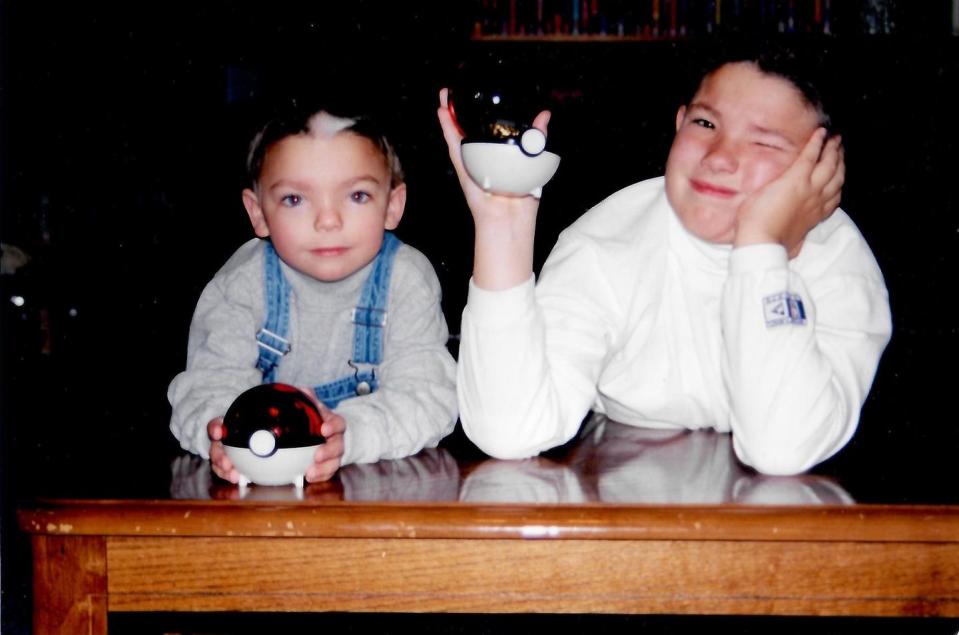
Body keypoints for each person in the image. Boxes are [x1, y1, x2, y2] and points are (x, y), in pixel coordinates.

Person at [437, 44, 892, 475]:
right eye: (705, 125)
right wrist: (501, 228)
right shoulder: (607, 243)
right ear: (678, 124)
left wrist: (762, 250)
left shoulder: (839, 263)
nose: (719, 158)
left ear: (821, 166)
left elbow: (784, 447)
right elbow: (509, 431)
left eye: (764, 143)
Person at [169, 101, 458, 483]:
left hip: (370, 488)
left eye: (356, 195)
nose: (327, 220)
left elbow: (429, 398)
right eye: (295, 199)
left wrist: (351, 435)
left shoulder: (404, 280)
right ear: (258, 213)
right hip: (260, 492)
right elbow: (206, 386)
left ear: (393, 205)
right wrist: (223, 436)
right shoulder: (242, 283)